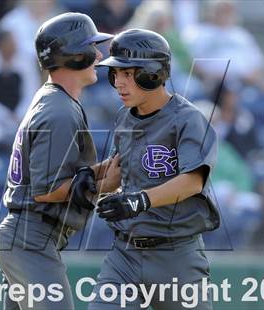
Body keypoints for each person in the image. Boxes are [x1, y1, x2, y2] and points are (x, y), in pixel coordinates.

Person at [0, 13, 119, 310]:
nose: (99, 55)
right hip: (31, 238)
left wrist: (107, 169)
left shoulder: (54, 100)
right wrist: (104, 184)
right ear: (74, 54)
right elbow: (46, 190)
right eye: (91, 47)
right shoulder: (60, 110)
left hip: (26, 236)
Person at [87, 29, 220, 310]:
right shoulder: (125, 116)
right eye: (115, 74)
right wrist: (88, 178)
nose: (118, 82)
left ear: (153, 73)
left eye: (128, 73)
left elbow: (193, 181)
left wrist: (139, 200)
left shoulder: (188, 119)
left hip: (176, 255)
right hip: (125, 254)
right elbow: (118, 169)